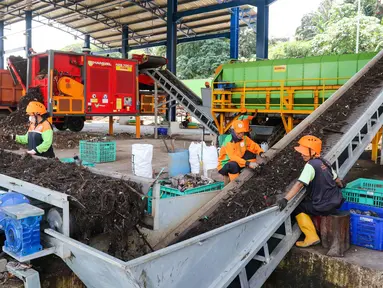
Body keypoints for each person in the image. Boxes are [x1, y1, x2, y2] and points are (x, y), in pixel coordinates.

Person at [277, 135, 345, 248]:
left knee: (298, 208)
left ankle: (311, 237)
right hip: (336, 199)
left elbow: (299, 184)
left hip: (323, 205)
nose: (301, 154)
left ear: (312, 151)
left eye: (304, 152)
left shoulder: (310, 166)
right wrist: (342, 184)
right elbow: (337, 179)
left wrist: (285, 199)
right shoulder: (324, 162)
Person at [218, 120, 265, 185]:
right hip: (225, 164)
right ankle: (235, 184)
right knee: (233, 165)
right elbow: (233, 157)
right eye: (238, 133)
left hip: (238, 160)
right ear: (233, 131)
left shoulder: (244, 138)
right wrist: (248, 163)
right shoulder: (229, 141)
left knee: (251, 155)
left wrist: (261, 152)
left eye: (242, 132)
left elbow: (253, 145)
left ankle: (255, 169)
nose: (241, 134)